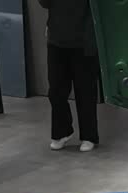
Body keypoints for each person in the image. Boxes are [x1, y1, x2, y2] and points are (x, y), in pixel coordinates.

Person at [38, 0, 99, 152]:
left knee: (85, 91)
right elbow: (44, 3)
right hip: (56, 39)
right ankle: (62, 132)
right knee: (56, 91)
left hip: (83, 40)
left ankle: (89, 136)